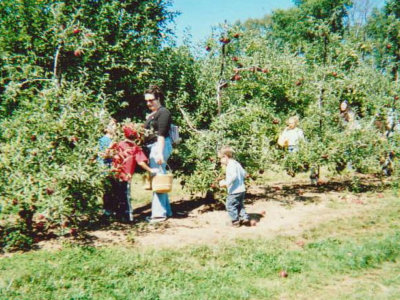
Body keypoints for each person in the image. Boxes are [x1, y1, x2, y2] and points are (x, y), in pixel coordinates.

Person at [110, 124, 156, 222]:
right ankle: (127, 218)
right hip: (126, 175)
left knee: (117, 194)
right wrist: (150, 170)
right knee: (126, 196)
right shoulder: (135, 148)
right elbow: (141, 162)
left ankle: (117, 215)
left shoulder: (119, 144)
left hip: (115, 173)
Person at [143, 85, 173, 223]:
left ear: (159, 98)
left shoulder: (163, 112)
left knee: (158, 178)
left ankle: (158, 215)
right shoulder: (153, 114)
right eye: (147, 101)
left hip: (159, 147)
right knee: (161, 177)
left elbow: (161, 135)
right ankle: (166, 211)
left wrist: (160, 153)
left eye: (151, 100)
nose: (149, 103)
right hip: (154, 147)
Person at [218, 146, 250, 227]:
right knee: (239, 204)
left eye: (220, 158)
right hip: (241, 189)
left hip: (234, 190)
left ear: (225, 156)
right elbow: (244, 174)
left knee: (230, 205)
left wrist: (226, 183)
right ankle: (244, 218)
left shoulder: (230, 165)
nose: (220, 161)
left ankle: (235, 221)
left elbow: (233, 176)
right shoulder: (236, 163)